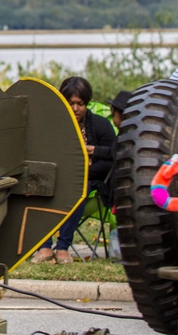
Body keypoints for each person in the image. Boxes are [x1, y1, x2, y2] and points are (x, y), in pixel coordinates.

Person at [31, 76, 116, 265]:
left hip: (88, 182)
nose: (76, 108)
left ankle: (62, 247)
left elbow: (114, 157)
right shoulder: (52, 128)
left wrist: (88, 164)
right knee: (41, 188)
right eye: (71, 103)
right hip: (56, 179)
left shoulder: (101, 125)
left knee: (80, 188)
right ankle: (44, 246)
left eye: (80, 104)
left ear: (87, 103)